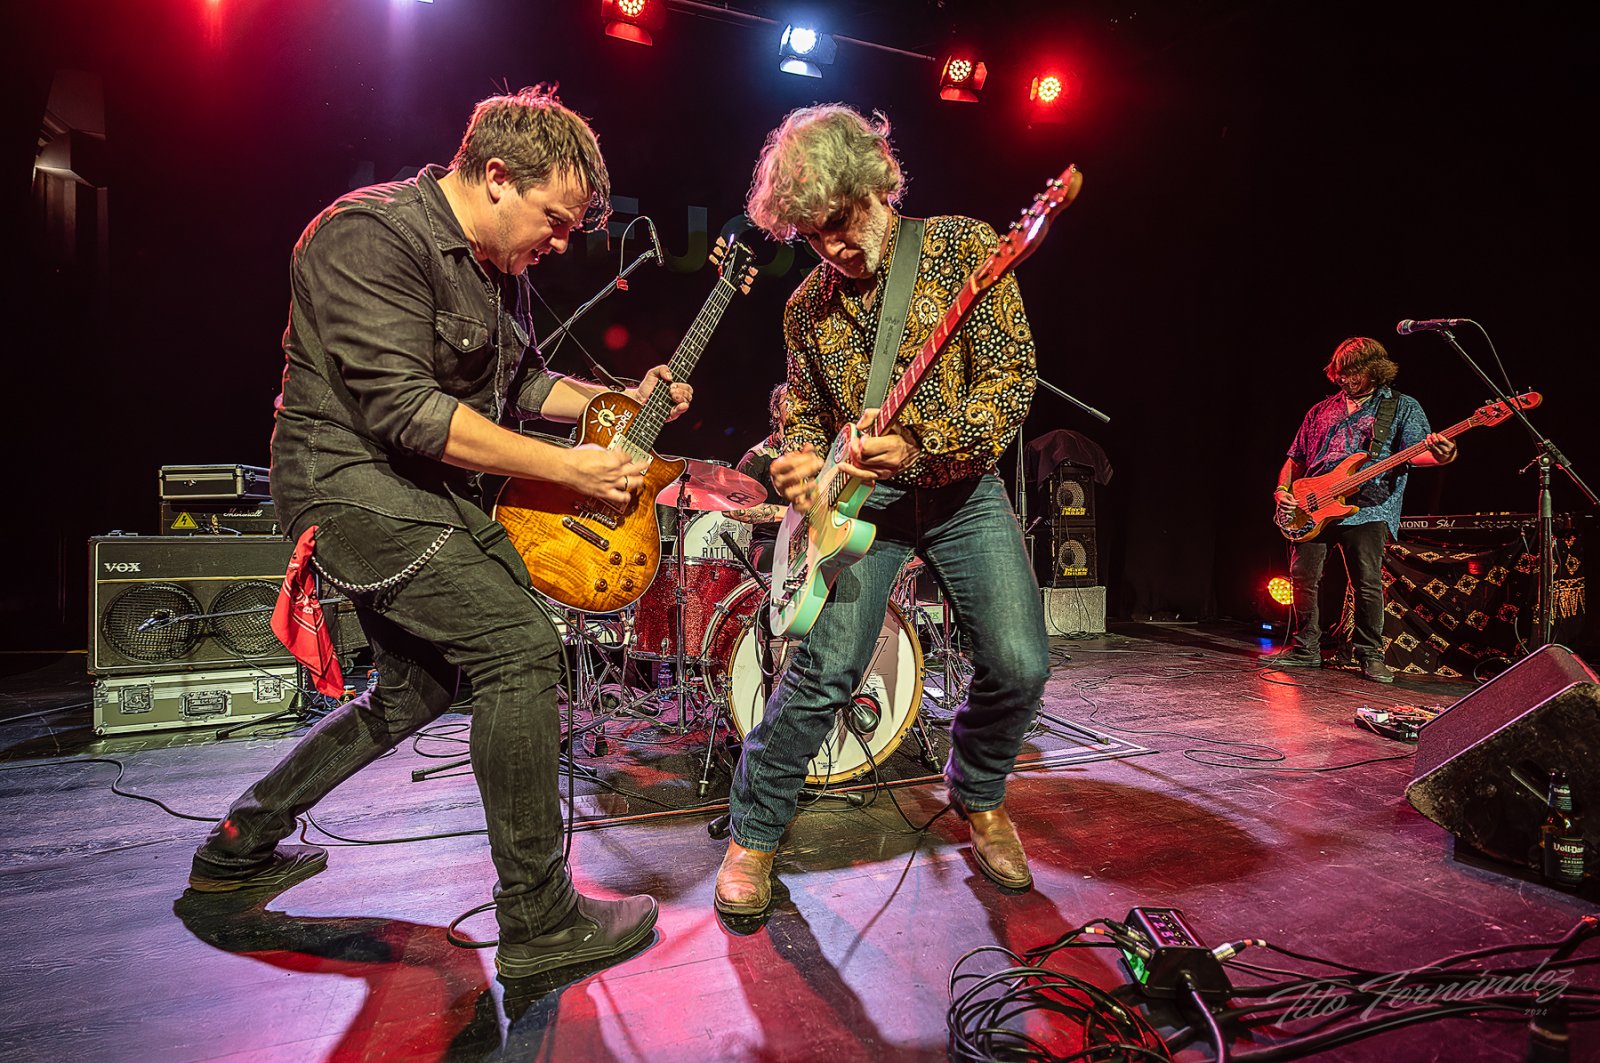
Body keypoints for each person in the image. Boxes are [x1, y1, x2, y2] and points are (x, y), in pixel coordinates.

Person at [186, 86, 693, 981]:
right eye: (555, 219)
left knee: (412, 693)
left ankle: (237, 845)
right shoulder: (366, 235)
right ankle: (538, 920)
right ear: (497, 176)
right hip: (349, 491)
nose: (561, 242)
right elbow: (407, 411)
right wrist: (572, 469)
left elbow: (525, 385)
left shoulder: (499, 272)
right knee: (519, 647)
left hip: (423, 496)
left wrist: (622, 399)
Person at [714, 104, 1051, 916]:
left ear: (876, 183)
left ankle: (978, 788)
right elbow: (803, 416)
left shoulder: (963, 249)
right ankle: (754, 830)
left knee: (1020, 663)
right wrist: (799, 463)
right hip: (861, 505)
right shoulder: (805, 308)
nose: (831, 247)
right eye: (811, 235)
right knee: (826, 669)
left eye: (838, 222)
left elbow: (1011, 382)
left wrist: (923, 445)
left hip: (962, 489)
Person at [1262, 336, 1456, 683]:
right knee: (1302, 578)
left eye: (1353, 373)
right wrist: (1282, 490)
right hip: (1313, 505)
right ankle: (1305, 648)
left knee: (1366, 583)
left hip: (1370, 507)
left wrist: (1444, 454)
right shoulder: (1320, 411)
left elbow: (1420, 453)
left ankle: (1370, 654)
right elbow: (1295, 458)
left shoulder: (1401, 406)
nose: (1344, 379)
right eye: (1340, 372)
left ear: (1375, 371)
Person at [725, 382, 791, 572]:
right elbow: (733, 509)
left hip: (814, 537)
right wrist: (791, 515)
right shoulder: (758, 457)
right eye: (789, 401)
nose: (798, 406)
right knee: (773, 562)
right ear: (776, 411)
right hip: (770, 540)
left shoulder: (818, 453)